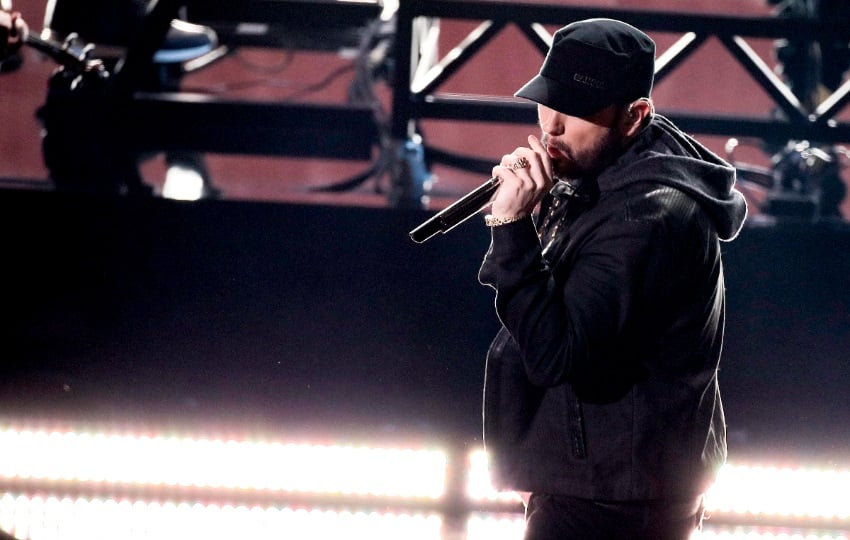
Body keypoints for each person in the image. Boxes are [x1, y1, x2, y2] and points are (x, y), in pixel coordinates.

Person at [477, 18, 748, 540]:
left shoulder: (647, 218)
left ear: (635, 115)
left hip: (615, 497)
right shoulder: (612, 170)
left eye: (575, 112)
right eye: (546, 103)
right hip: (601, 479)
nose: (551, 127)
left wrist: (512, 229)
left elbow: (557, 353)